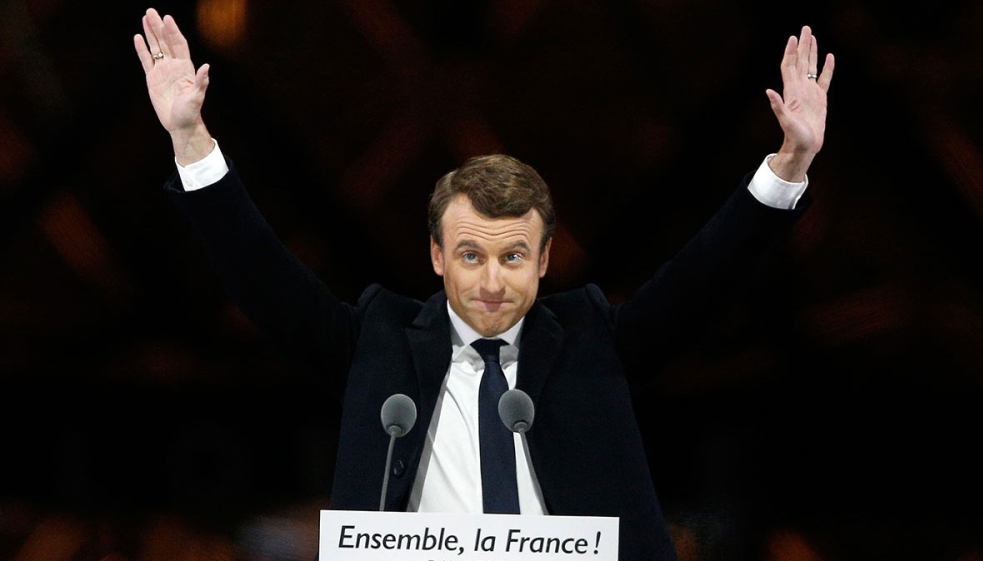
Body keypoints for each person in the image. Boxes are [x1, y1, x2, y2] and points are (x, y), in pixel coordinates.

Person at [134, 7, 834, 561]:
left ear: (545, 258)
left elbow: (705, 278)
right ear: (436, 255)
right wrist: (192, 141)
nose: (493, 281)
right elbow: (263, 278)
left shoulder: (596, 341)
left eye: (513, 257)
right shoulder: (375, 341)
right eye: (472, 256)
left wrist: (790, 161)